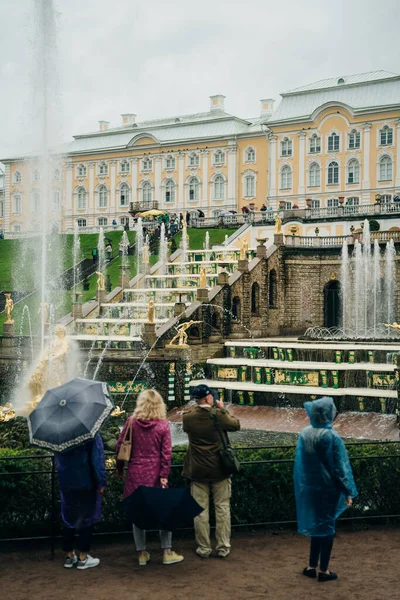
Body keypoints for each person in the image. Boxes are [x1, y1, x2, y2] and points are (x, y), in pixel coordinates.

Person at [116, 389, 184, 566]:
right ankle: (167, 552)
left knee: (138, 513)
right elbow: (166, 454)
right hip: (155, 474)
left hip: (135, 474)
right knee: (164, 511)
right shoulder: (163, 425)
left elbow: (120, 446)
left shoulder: (131, 422)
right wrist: (163, 476)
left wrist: (120, 468)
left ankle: (142, 554)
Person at [294, 397, 357, 582]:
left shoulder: (305, 434)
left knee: (316, 525)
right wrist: (347, 491)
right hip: (328, 489)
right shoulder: (332, 437)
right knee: (328, 526)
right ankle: (324, 570)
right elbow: (339, 469)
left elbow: (301, 464)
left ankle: (311, 566)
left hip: (310, 487)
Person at [182, 385, 240, 559]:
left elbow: (188, 428)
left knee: (200, 510)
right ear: (208, 398)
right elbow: (236, 425)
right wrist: (223, 410)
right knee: (222, 507)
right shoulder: (218, 415)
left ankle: (204, 548)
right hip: (220, 469)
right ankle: (223, 547)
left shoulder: (188, 418)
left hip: (198, 470)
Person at [54, 434, 106, 570]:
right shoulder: (90, 433)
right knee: (88, 517)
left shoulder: (58, 434)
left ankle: (69, 556)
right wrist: (101, 482)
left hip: (66, 482)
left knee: (68, 517)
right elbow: (97, 460)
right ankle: (83, 557)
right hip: (86, 481)